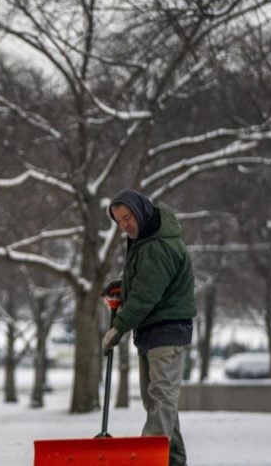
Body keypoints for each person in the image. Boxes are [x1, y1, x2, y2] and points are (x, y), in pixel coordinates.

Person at [101, 189, 195, 466]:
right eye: (118, 221)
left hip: (167, 331)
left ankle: (147, 462)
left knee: (161, 400)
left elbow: (146, 296)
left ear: (141, 212)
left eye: (127, 217)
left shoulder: (157, 245)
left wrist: (117, 329)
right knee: (158, 403)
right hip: (153, 332)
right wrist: (124, 286)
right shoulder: (147, 240)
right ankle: (174, 461)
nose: (124, 225)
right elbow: (146, 284)